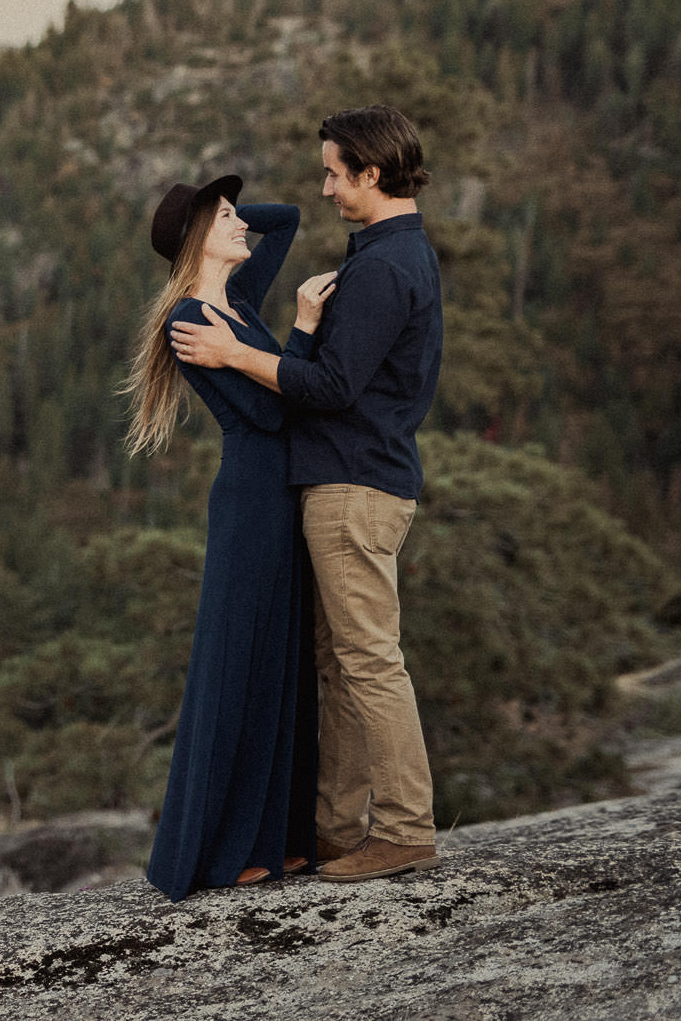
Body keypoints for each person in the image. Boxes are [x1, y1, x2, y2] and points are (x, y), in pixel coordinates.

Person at [171, 104, 443, 883]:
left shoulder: (387, 267)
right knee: (340, 662)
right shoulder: (387, 254)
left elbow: (327, 385)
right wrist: (206, 226)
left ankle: (402, 827)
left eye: (334, 171)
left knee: (366, 659)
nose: (324, 188)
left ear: (371, 171)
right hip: (351, 480)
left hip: (354, 484)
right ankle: (334, 828)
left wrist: (234, 345)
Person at [123, 175, 326, 900]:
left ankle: (279, 838)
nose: (245, 222)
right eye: (227, 215)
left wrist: (217, 213)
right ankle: (219, 850)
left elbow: (289, 216)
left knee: (281, 658)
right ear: (198, 237)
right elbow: (273, 417)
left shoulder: (232, 303)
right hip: (249, 506)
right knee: (240, 664)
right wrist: (300, 329)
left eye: (238, 212)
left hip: (278, 499)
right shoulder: (188, 321)